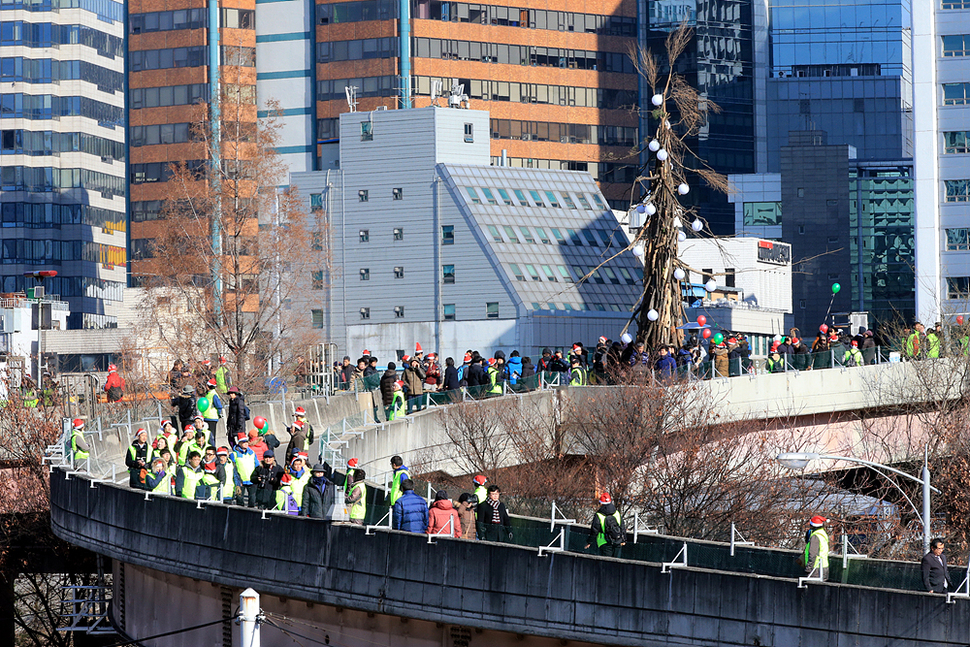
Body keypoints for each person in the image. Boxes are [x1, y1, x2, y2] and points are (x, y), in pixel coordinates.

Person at [584, 493, 626, 557]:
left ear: (601, 503)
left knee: (605, 564)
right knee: (616, 564)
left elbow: (594, 530)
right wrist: (623, 540)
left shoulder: (599, 515)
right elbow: (622, 527)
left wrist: (589, 542)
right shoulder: (617, 513)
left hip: (604, 542)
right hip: (618, 541)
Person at [231, 434, 257, 507]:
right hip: (240, 481)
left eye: (246, 442)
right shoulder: (234, 454)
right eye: (243, 442)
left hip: (252, 480)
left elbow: (257, 465)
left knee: (252, 501)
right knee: (240, 502)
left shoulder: (252, 453)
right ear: (239, 443)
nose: (245, 443)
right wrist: (237, 482)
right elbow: (233, 469)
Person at [804, 515, 830, 581]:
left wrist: (808, 568)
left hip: (816, 568)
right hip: (824, 566)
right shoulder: (822, 534)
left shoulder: (815, 537)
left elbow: (813, 554)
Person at [200, 378, 223, 446]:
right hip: (206, 416)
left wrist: (218, 414)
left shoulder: (213, 394)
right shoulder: (209, 394)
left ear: (208, 386)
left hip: (212, 417)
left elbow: (219, 406)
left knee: (211, 436)